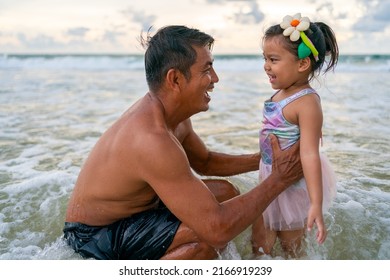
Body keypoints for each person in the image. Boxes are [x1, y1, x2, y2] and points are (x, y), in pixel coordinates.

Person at [63, 25, 303, 260]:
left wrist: (264, 159)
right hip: (95, 237)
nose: (215, 79)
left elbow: (204, 161)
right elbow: (217, 230)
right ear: (175, 79)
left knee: (227, 193)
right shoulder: (151, 139)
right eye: (207, 69)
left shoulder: (173, 117)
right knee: (204, 242)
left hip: (140, 213)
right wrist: (279, 179)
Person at [251, 13, 338, 258]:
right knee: (259, 246)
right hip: (270, 176)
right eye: (265, 58)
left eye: (274, 59)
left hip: (293, 186)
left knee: (291, 249)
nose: (266, 66)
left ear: (302, 64)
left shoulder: (307, 102)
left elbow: (310, 153)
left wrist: (315, 204)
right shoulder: (282, 92)